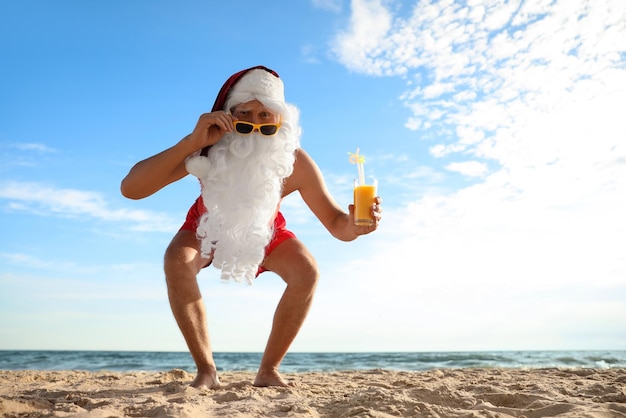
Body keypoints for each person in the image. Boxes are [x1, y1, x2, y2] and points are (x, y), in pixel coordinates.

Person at [120, 65, 382, 388]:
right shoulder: (208, 148)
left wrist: (357, 225)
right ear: (229, 115)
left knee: (307, 271)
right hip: (207, 225)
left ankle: (268, 370)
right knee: (176, 259)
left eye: (265, 116)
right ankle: (206, 371)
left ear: (281, 120)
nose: (255, 125)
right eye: (245, 114)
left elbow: (336, 224)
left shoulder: (294, 162)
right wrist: (189, 142)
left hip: (264, 231)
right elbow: (131, 188)